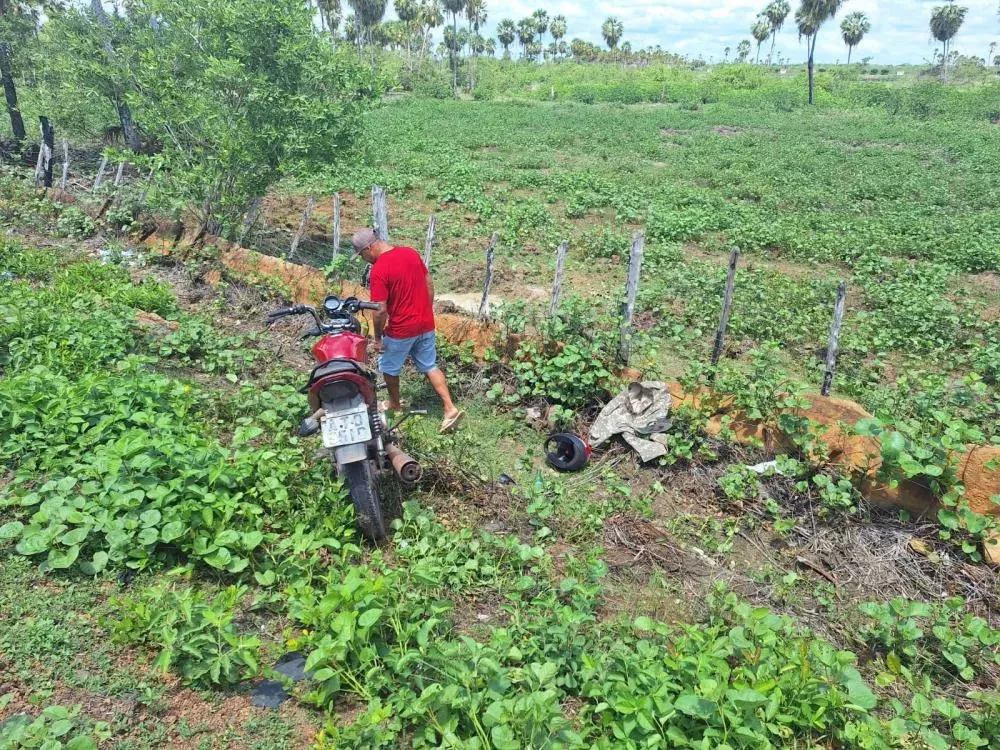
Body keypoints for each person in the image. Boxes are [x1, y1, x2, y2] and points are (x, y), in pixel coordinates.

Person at [351, 227, 464, 433]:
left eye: (362, 255)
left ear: (369, 248)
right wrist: (426, 310)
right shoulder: (410, 253)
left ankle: (395, 404)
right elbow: (428, 281)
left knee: (389, 367)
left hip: (402, 329)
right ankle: (450, 408)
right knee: (429, 364)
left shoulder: (379, 270)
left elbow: (379, 310)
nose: (364, 260)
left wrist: (377, 339)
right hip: (425, 323)